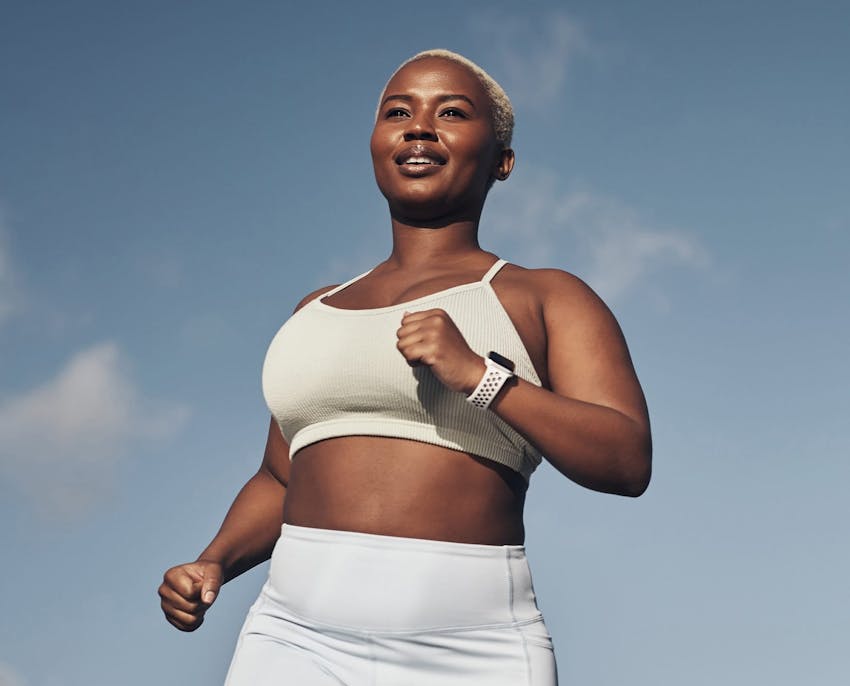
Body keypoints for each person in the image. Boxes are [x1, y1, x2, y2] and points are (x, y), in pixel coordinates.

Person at [158, 49, 651, 686]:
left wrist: (481, 376)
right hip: (291, 637)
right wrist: (215, 561)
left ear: (501, 160)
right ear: (376, 144)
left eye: (451, 112)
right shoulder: (315, 311)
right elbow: (280, 479)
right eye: (398, 111)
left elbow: (626, 459)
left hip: (472, 647)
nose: (419, 126)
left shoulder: (545, 296)